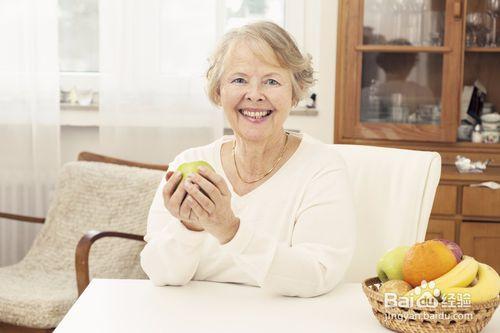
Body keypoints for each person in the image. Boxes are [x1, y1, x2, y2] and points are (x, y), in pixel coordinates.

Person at [140, 21, 356, 298]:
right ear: (219, 91)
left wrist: (230, 229)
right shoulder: (189, 162)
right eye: (239, 79)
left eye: (272, 81)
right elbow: (160, 274)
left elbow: (316, 276)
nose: (254, 95)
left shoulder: (322, 168)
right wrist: (189, 226)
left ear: (295, 93)